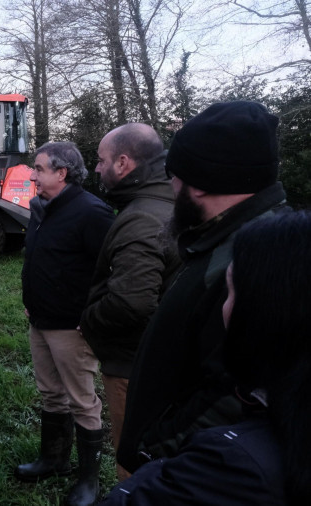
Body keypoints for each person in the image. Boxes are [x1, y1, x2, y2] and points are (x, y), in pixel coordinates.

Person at [117, 101, 289, 475]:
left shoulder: (254, 261)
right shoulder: (228, 238)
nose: (170, 185)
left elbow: (239, 391)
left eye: (173, 175)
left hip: (186, 472)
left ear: (199, 183)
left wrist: (155, 449)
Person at [100, 211, 311, 505]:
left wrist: (158, 467)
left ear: (265, 312)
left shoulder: (230, 465)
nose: (223, 309)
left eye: (230, 291)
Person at [79, 124, 180, 481]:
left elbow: (131, 302)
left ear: (123, 163)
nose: (96, 169)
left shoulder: (140, 217)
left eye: (100, 160)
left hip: (131, 363)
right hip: (164, 358)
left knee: (132, 458)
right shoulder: (168, 201)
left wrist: (88, 319)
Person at [16, 141, 115, 506]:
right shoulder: (43, 208)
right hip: (40, 320)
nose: (32, 174)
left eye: (39, 169)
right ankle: (53, 460)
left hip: (71, 327)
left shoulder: (92, 213)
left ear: (61, 173)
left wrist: (90, 315)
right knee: (50, 393)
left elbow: (113, 271)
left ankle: (89, 481)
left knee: (82, 401)